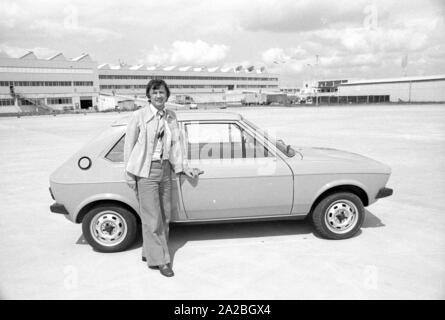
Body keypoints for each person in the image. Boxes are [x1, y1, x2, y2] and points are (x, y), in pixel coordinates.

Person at [124, 79, 199, 277]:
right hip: (145, 171)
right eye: (154, 92)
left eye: (162, 92)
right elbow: (128, 147)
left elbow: (176, 146)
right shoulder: (139, 116)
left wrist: (183, 167)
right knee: (152, 219)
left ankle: (149, 252)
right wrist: (130, 176)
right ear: (148, 95)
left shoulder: (171, 116)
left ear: (167, 95)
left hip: (165, 169)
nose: (158, 96)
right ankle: (161, 261)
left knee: (165, 215)